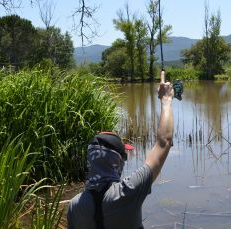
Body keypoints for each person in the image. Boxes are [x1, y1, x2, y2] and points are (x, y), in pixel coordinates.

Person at [67, 70, 174, 229]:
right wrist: (166, 100)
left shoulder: (75, 205)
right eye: (123, 156)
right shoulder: (128, 191)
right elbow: (164, 142)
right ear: (116, 162)